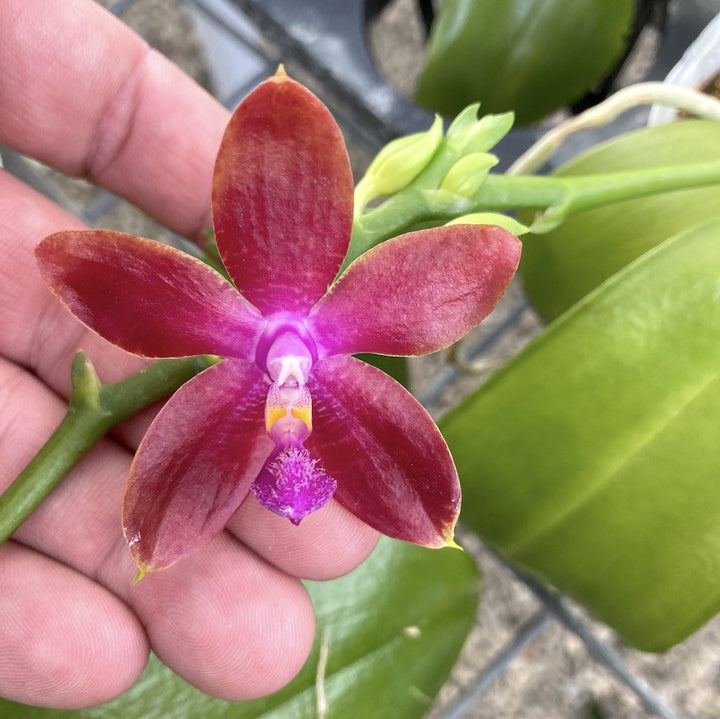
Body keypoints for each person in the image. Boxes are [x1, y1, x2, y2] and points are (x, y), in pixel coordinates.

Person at [0, 0, 378, 709]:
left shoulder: (308, 400)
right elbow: (86, 273)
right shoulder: (225, 402)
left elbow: (412, 490)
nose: (290, 409)